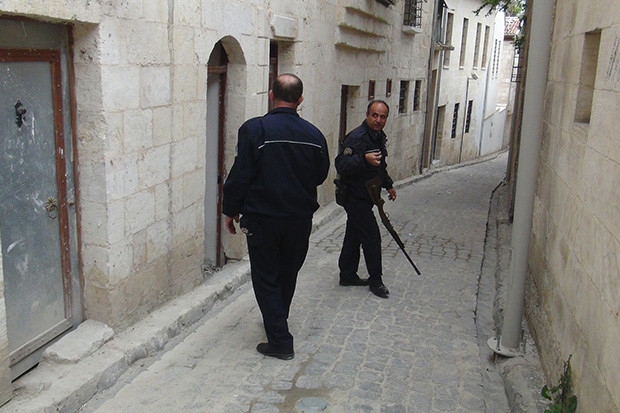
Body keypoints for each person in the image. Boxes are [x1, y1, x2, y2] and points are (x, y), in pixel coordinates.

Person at [222, 74, 330, 360]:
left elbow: (240, 174)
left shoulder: (254, 130)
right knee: (287, 273)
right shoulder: (314, 135)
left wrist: (229, 209)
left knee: (266, 276)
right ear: (300, 100)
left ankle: (280, 340)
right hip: (298, 220)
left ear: (272, 95)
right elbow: (320, 175)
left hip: (263, 219)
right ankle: (277, 320)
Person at [335, 100, 396, 299]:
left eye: (383, 117)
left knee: (354, 235)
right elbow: (341, 165)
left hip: (367, 195)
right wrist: (363, 159)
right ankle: (376, 280)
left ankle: (347, 274)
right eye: (375, 115)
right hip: (354, 196)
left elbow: (380, 165)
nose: (378, 120)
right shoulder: (357, 138)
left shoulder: (378, 137)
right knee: (371, 237)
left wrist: (388, 184)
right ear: (367, 115)